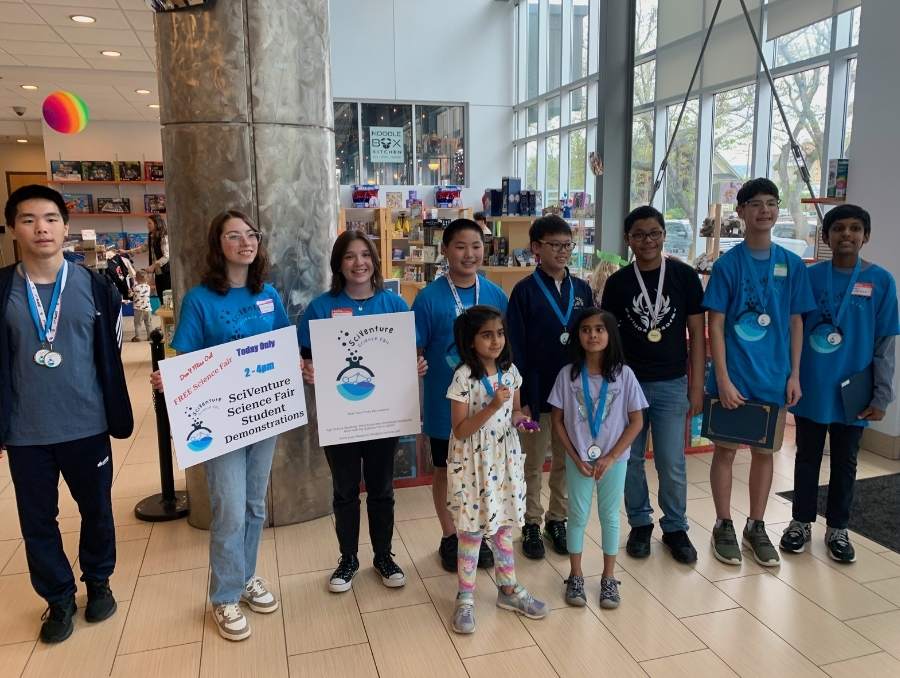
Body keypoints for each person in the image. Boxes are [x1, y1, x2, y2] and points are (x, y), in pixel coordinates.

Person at [0, 184, 133, 643]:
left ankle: (98, 582)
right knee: (37, 521)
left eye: (51, 219)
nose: (42, 228)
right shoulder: (2, 290)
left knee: (96, 509)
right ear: (13, 228)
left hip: (87, 424)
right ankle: (57, 599)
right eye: (29, 219)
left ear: (66, 226)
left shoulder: (96, 287)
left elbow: (111, 354)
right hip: (26, 432)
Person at [150, 209, 288, 641]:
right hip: (221, 423)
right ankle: (224, 596)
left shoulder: (268, 294)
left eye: (251, 234)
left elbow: (283, 346)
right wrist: (169, 378)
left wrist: (299, 367)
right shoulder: (200, 300)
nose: (246, 242)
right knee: (229, 509)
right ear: (218, 245)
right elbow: (185, 356)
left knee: (254, 506)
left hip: (263, 415)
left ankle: (245, 577)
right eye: (234, 236)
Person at [298, 230, 427, 593]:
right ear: (339, 263)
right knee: (344, 491)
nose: (359, 263)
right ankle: (348, 559)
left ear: (374, 260)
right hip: (340, 418)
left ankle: (384, 555)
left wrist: (416, 365)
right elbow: (305, 356)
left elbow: (409, 355)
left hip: (383, 417)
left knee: (383, 488)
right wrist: (306, 370)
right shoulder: (320, 308)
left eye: (365, 255)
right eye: (350, 256)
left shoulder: (395, 306)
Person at [703, 178, 815, 567]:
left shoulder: (792, 264)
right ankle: (722, 524)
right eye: (756, 204)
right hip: (735, 378)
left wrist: (794, 374)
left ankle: (756, 525)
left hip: (774, 377)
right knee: (726, 451)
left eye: (771, 203)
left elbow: (796, 322)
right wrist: (722, 378)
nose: (764, 211)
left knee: (766, 454)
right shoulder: (727, 266)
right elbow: (715, 324)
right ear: (741, 211)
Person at [782, 204, 899, 562]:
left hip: (855, 390)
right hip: (813, 385)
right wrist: (792, 377)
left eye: (854, 229)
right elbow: (793, 331)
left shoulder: (880, 281)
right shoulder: (810, 277)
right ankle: (800, 522)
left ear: (866, 236)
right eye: (838, 229)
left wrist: (882, 395)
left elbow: (885, 345)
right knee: (807, 457)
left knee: (846, 461)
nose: (846, 234)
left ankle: (838, 528)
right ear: (826, 236)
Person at [600, 206, 705, 564]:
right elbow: (608, 339)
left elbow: (697, 335)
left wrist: (696, 384)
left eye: (655, 233)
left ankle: (676, 527)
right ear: (628, 240)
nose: (648, 240)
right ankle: (640, 523)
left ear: (664, 235)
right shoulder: (617, 283)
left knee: (671, 461)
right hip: (628, 385)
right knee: (628, 459)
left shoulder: (684, 277)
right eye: (640, 234)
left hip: (673, 384)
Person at [412, 218, 508, 572]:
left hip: (488, 405)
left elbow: (505, 349)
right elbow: (415, 349)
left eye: (477, 246)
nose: (470, 254)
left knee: (484, 469)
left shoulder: (496, 294)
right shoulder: (428, 298)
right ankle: (450, 535)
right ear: (445, 250)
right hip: (444, 405)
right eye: (461, 246)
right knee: (445, 470)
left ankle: (479, 533)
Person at [445, 305, 545, 634]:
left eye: (500, 333)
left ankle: (509, 589)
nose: (496, 341)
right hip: (473, 463)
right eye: (487, 335)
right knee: (472, 532)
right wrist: (492, 406)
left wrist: (523, 421)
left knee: (503, 527)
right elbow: (460, 429)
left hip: (504, 460)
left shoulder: (510, 371)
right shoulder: (463, 376)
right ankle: (465, 597)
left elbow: (514, 412)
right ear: (471, 340)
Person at [507, 215, 593, 559]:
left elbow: (593, 340)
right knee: (531, 461)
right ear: (536, 248)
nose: (562, 252)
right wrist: (522, 399)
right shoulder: (524, 292)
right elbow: (515, 347)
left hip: (572, 395)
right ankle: (530, 521)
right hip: (536, 391)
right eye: (554, 245)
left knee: (565, 460)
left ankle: (557, 518)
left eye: (567, 245)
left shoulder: (583, 290)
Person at [548, 309, 646, 608]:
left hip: (612, 462)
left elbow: (637, 421)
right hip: (580, 461)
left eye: (599, 329)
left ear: (610, 335)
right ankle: (575, 576)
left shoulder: (623, 375)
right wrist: (575, 456)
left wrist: (612, 457)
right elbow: (557, 420)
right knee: (576, 517)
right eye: (586, 329)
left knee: (610, 517)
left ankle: (608, 578)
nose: (592, 335)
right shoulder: (568, 375)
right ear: (578, 335)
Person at [128, 214, 170, 297]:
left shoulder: (164, 237)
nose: (147, 226)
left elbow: (166, 256)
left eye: (150, 223)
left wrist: (153, 266)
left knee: (168, 298)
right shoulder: (151, 236)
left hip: (167, 273)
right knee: (161, 297)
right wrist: (126, 251)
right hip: (158, 273)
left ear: (157, 224)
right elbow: (143, 248)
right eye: (147, 223)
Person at [130, 270, 152, 342]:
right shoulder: (148, 287)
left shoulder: (135, 287)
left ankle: (138, 337)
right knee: (148, 323)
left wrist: (129, 292)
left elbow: (130, 295)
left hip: (138, 309)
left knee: (138, 324)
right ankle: (150, 336)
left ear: (136, 279)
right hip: (148, 309)